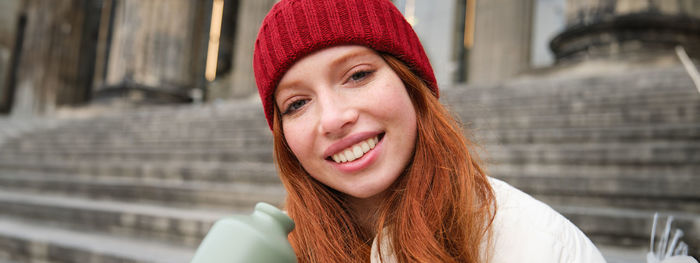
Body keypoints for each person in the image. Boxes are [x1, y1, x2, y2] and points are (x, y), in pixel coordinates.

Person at [252, 0, 606, 262]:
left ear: (412, 84)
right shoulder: (275, 252)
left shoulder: (539, 245)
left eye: (358, 75)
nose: (332, 119)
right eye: (297, 103)